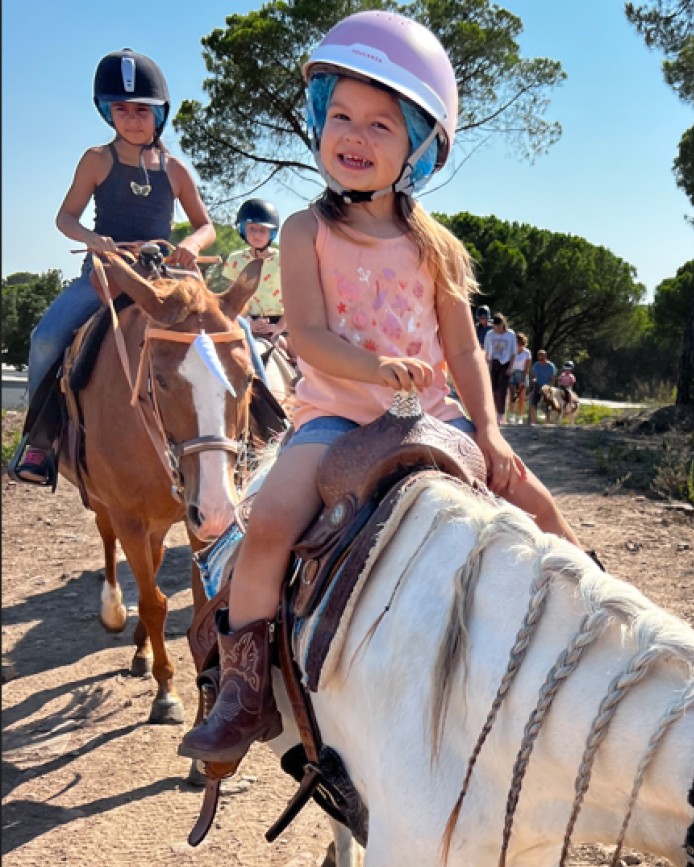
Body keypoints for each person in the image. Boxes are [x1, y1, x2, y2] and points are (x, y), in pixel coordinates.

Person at [179, 10, 583, 765]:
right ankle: (244, 690)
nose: (354, 137)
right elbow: (306, 336)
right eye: (341, 116)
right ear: (317, 122)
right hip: (336, 417)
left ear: (420, 149)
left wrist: (490, 433)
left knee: (534, 500)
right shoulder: (305, 230)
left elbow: (462, 345)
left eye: (380, 124)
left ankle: (593, 617)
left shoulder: (438, 245)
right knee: (267, 524)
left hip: (430, 420)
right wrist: (374, 370)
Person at [9, 48, 217, 486]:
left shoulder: (176, 168)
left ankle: (260, 423)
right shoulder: (96, 159)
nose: (132, 119)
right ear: (107, 113)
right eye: (121, 109)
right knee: (45, 339)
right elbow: (66, 217)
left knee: (229, 331)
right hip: (103, 274)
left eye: (142, 109)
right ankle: (38, 444)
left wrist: (192, 246)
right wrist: (93, 240)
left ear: (159, 113)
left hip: (159, 278)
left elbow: (205, 225)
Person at [223, 198, 284, 380]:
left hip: (284, 324)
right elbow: (232, 300)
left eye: (262, 230)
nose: (257, 235)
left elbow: (297, 298)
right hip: (247, 323)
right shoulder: (235, 260)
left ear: (272, 233)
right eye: (252, 229)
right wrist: (249, 323)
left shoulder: (286, 258)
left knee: (305, 361)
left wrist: (279, 327)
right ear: (243, 230)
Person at [483, 312, 516, 422]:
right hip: (494, 362)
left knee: (502, 389)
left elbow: (513, 352)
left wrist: (511, 367)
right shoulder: (490, 334)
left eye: (497, 325)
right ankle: (493, 410)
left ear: (502, 324)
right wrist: (485, 365)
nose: (495, 327)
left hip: (505, 363)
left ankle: (501, 413)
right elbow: (487, 352)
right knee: (493, 389)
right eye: (494, 325)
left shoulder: (510, 334)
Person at [507, 331, 531, 423]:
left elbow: (527, 366)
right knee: (512, 396)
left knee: (521, 397)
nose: (519, 345)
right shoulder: (511, 351)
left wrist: (523, 378)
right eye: (517, 342)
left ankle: (520, 416)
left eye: (521, 343)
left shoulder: (527, 352)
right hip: (512, 373)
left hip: (522, 373)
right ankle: (512, 415)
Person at [528, 348, 556, 424]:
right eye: (539, 356)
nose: (541, 358)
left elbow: (552, 379)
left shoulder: (551, 366)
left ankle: (547, 421)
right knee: (533, 402)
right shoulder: (536, 365)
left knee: (548, 404)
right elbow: (534, 376)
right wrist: (533, 380)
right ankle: (533, 421)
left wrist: (548, 388)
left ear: (545, 356)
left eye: (542, 356)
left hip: (547, 387)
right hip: (537, 385)